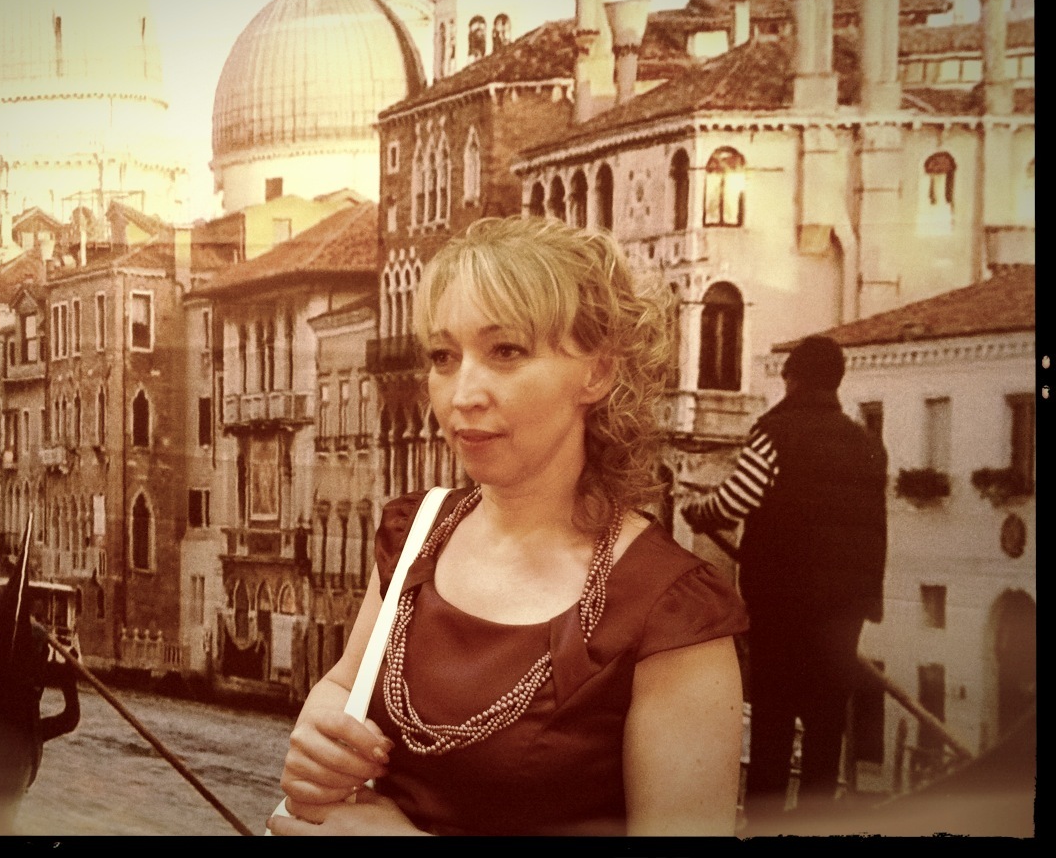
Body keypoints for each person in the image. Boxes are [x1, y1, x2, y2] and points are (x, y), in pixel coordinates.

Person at [270, 216, 748, 836]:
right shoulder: (415, 534)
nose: (462, 394)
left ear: (597, 373)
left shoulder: (673, 613)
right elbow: (346, 684)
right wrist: (322, 733)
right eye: (444, 357)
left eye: (506, 352)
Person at [680, 335, 888, 834]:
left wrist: (697, 510)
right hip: (846, 605)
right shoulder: (867, 444)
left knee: (774, 716)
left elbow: (736, 501)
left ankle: (766, 827)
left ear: (792, 377)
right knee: (826, 719)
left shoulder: (775, 432)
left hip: (784, 601)